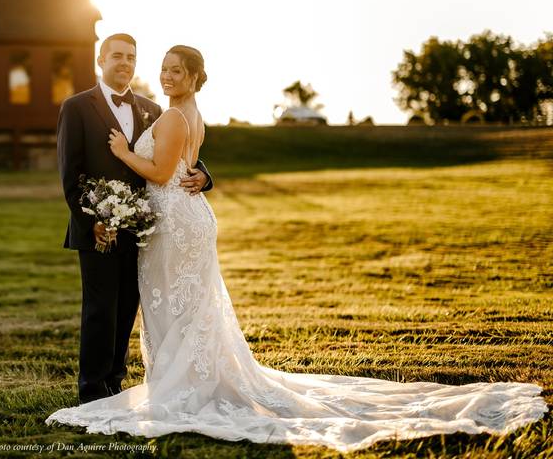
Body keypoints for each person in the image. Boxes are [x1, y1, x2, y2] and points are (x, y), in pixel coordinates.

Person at [47, 45, 547, 452]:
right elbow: (93, 171)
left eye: (169, 68)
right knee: (154, 307)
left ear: (194, 78)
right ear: (101, 61)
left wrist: (130, 156)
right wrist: (148, 191)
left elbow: (166, 168)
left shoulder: (161, 112)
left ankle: (172, 387)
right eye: (157, 67)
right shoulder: (99, 108)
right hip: (146, 223)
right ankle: (129, 386)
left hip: (171, 223)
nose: (157, 73)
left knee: (169, 306)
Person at [56, 33, 213, 405]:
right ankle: (92, 391)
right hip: (99, 227)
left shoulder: (151, 109)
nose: (125, 63)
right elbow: (70, 172)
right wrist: (90, 220)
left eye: (131, 57)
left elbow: (173, 158)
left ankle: (115, 382)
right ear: (101, 60)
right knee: (99, 310)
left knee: (128, 308)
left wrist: (205, 175)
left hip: (142, 228)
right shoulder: (76, 107)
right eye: (117, 57)